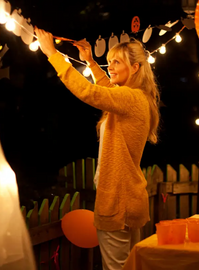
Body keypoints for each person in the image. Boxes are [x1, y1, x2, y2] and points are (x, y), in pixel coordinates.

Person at [35, 27, 160, 270]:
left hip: (118, 201)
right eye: (109, 61)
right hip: (128, 198)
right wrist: (91, 63)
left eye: (116, 62)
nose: (110, 66)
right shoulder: (135, 97)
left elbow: (90, 92)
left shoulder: (130, 97)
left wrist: (52, 54)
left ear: (135, 68)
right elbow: (107, 92)